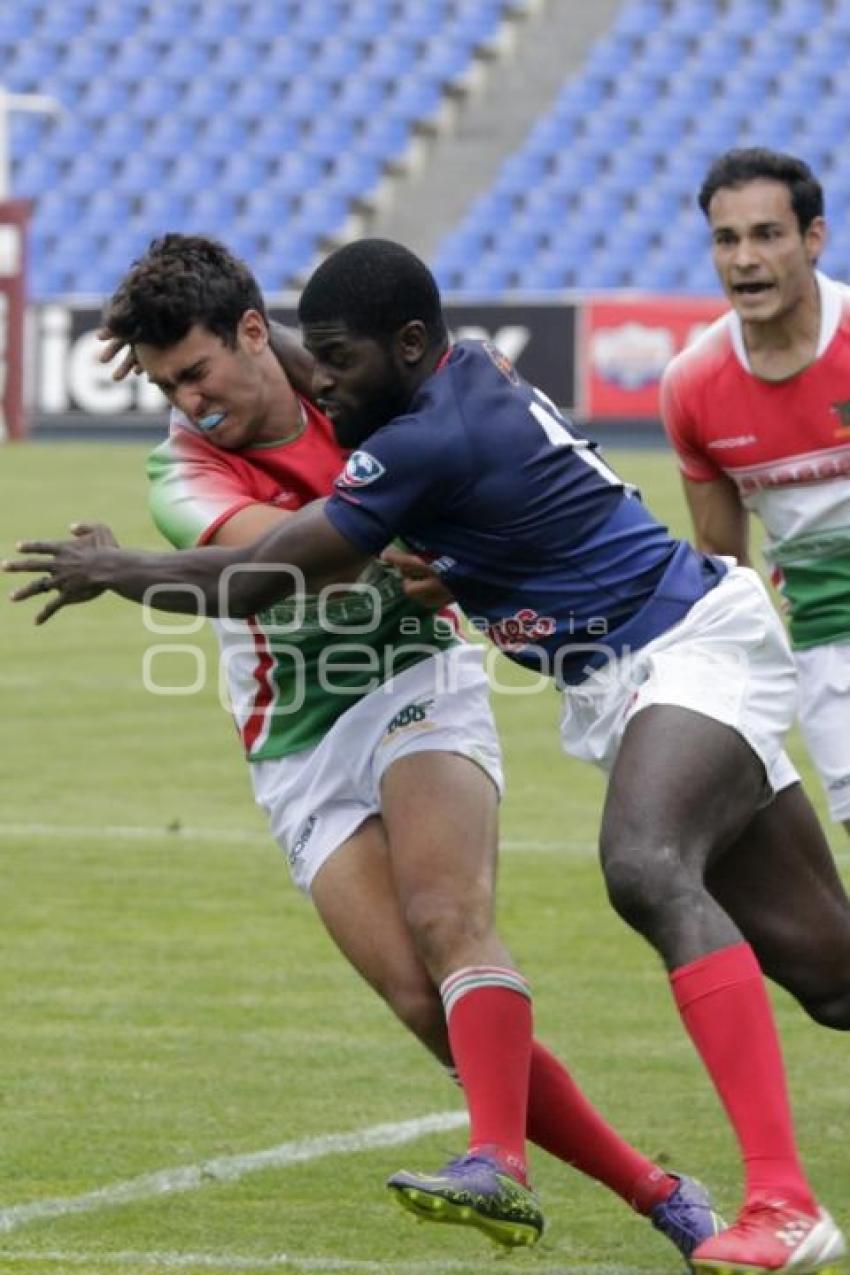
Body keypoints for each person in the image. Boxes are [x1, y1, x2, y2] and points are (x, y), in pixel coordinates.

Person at [7, 237, 850, 1275]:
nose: (194, 402)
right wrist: (445, 555)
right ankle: (652, 1186)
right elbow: (290, 547)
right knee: (828, 974)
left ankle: (772, 1200)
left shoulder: (409, 432)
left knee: (637, 868)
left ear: (264, 335)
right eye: (169, 386)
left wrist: (113, 568)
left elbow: (275, 569)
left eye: (199, 373)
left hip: (655, 648)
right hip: (367, 724)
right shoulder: (254, 441)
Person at [661, 146, 850, 837]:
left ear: (813, 238)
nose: (744, 258)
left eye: (767, 234)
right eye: (726, 238)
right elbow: (724, 565)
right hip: (828, 647)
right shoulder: (693, 385)